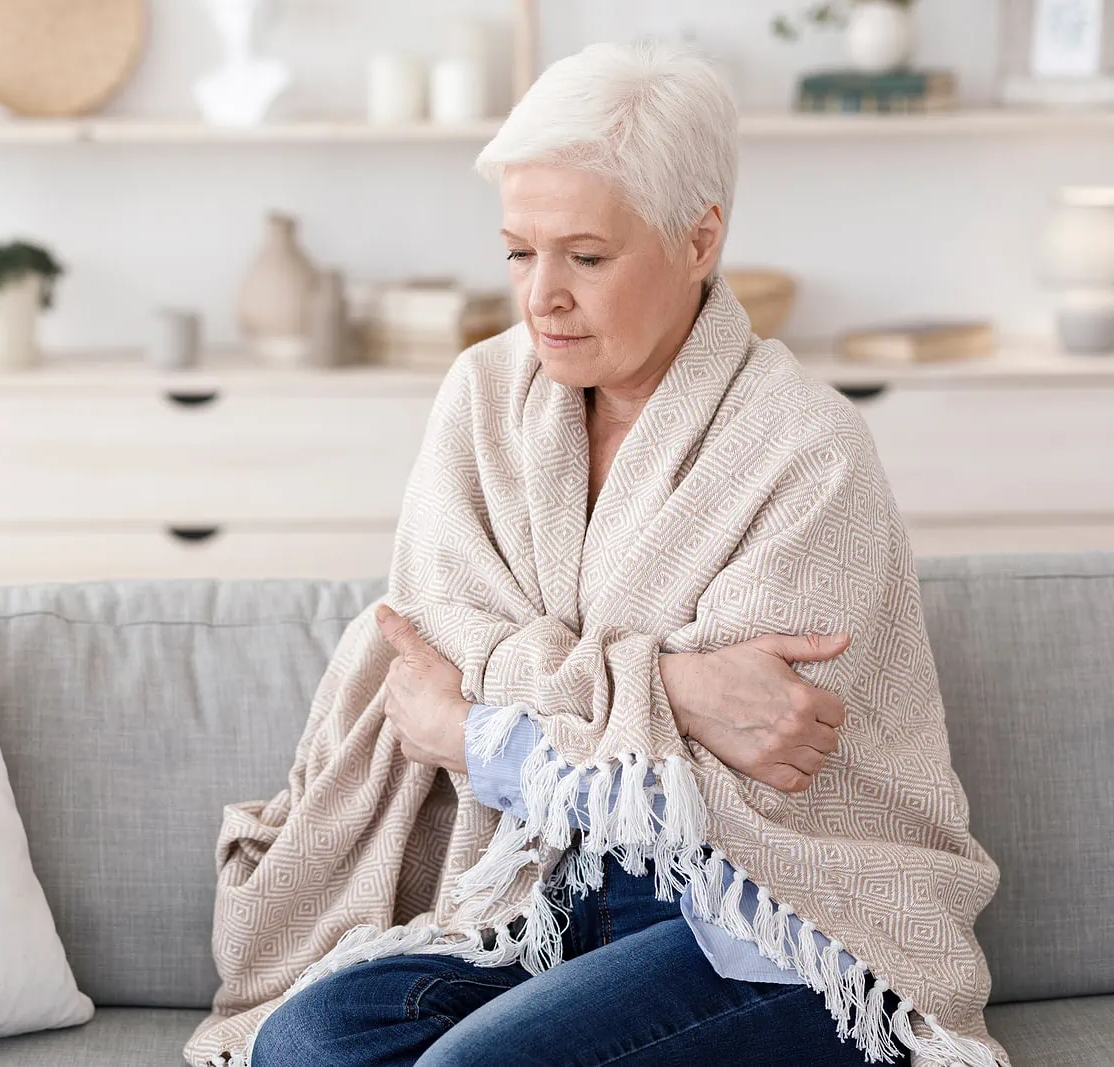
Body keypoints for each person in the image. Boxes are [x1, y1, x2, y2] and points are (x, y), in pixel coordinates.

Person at [193, 39, 1003, 1067]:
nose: (542, 297)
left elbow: (734, 771)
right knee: (308, 1038)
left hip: (767, 917)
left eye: (585, 255)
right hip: (537, 890)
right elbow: (434, 631)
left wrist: (476, 729)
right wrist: (674, 687)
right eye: (518, 252)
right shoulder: (483, 396)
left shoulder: (807, 446)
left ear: (699, 238)